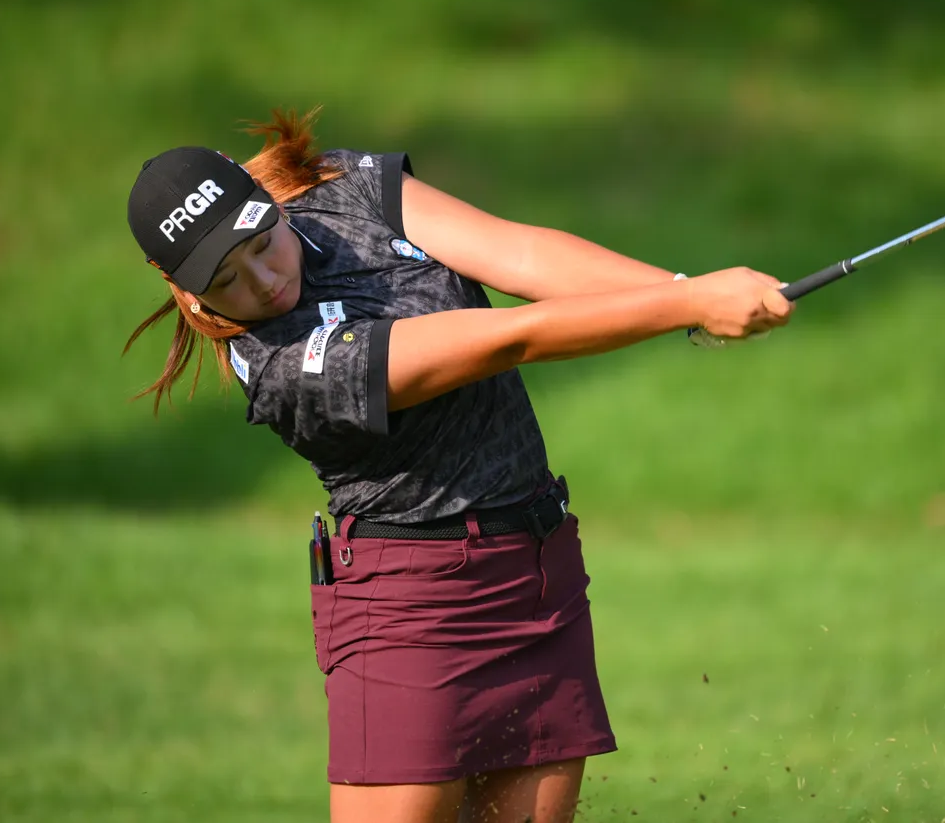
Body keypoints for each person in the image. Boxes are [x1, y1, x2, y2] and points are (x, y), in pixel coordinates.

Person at [123, 108, 793, 823]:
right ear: (185, 291)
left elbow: (520, 255)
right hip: (410, 610)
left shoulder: (346, 185)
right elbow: (508, 338)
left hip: (535, 575)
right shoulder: (284, 369)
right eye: (227, 279)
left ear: (269, 202)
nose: (262, 280)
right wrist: (687, 302)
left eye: (262, 242)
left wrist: (691, 296)